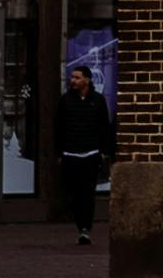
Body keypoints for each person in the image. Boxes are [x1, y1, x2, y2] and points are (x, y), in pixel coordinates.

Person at [50, 31, 118, 232]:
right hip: (70, 152)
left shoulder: (98, 101)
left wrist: (103, 152)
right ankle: (79, 222)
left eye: (77, 77)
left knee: (87, 193)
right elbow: (59, 126)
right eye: (72, 77)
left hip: (90, 153)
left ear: (87, 80)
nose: (73, 80)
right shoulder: (66, 100)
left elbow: (103, 126)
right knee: (73, 193)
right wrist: (59, 152)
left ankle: (85, 228)